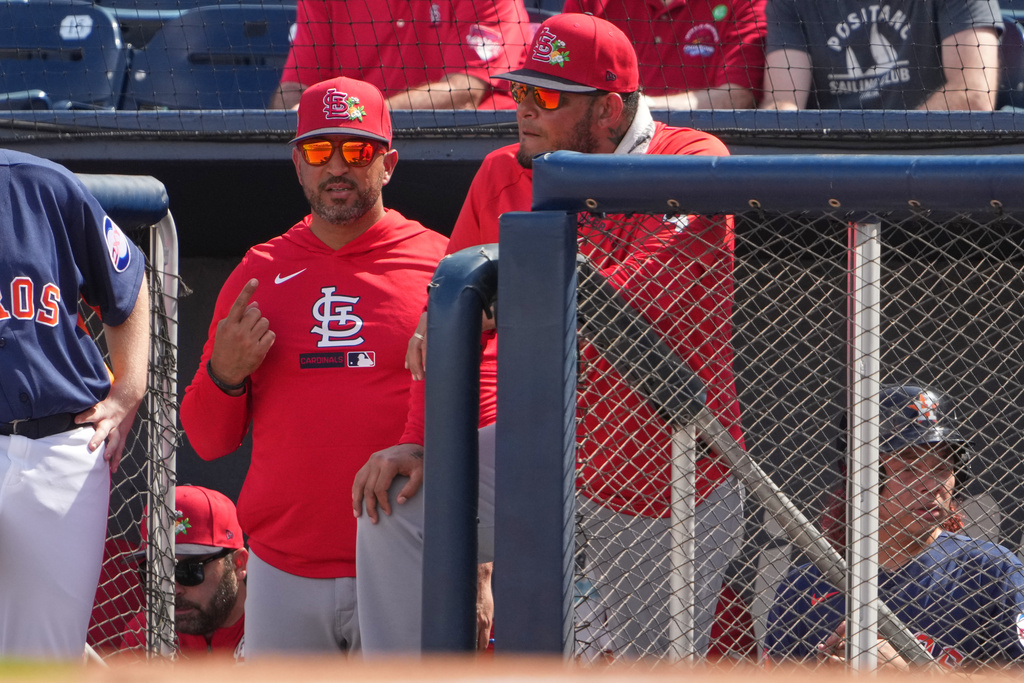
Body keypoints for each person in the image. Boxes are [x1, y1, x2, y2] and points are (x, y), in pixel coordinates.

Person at [353, 13, 746, 658]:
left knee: (651, 667)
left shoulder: (692, 159)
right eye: (521, 91)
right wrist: (420, 443)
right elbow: (448, 319)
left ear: (610, 110)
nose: (523, 109)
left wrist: (505, 300)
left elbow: (626, 302)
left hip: (666, 484)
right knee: (399, 510)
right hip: (544, 452)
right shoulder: (502, 172)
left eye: (548, 96)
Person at [179, 76, 448, 656]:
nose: (337, 167)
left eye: (356, 150)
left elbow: (484, 413)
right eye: (319, 151)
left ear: (388, 163)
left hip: (408, 560)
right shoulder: (259, 272)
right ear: (298, 164)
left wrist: (480, 567)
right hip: (284, 569)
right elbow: (205, 440)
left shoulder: (442, 263)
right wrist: (225, 374)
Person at [0, 150, 150, 659]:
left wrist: (128, 389)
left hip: (63, 446)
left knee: (44, 658)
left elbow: (126, 280)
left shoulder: (43, 185)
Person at [764, 384, 1024, 668]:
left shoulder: (991, 571)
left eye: (942, 467)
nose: (932, 487)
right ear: (866, 478)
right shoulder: (806, 585)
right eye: (909, 469)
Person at [269, 0, 532, 111]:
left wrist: (361, 115)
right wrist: (299, 116)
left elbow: (465, 91)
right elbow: (295, 87)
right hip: (354, 148)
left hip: (458, 148)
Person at [759, 0, 1003, 111]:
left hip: (928, 164)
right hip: (831, 167)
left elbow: (973, 94)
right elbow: (783, 101)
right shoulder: (787, 3)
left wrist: (892, 145)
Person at [563, 0, 768, 110]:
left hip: (692, 152)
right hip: (601, 148)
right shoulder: (591, 2)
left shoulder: (744, 3)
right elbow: (563, 85)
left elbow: (738, 96)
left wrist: (639, 107)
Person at [120, 485, 248, 661]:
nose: (173, 589)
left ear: (238, 564)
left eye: (189, 570)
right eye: (158, 573)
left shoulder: (280, 629)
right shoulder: (147, 634)